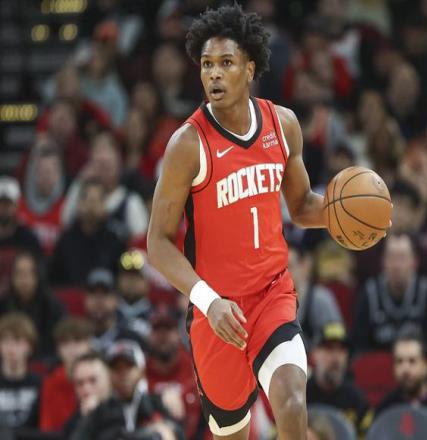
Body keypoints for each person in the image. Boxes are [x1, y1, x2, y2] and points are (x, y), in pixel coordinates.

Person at [147, 5, 335, 439]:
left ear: (249, 69)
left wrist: (347, 220)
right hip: (218, 312)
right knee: (232, 434)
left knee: (292, 402)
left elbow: (302, 206)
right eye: (207, 65)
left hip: (272, 293)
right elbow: (157, 243)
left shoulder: (282, 124)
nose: (214, 74)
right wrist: (208, 301)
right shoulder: (187, 144)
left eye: (226, 63)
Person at [71, 339, 180, 440]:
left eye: (129, 367)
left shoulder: (157, 403)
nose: (123, 374)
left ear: (141, 371)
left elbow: (177, 433)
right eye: (117, 368)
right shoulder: (100, 412)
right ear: (110, 374)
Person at [352, 233, 427, 354]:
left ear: (414, 262)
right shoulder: (369, 293)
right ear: (383, 262)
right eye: (392, 258)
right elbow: (359, 348)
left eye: (402, 258)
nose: (397, 265)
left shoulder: (426, 292)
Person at [50, 178, 126, 286]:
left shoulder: (115, 242)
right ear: (79, 204)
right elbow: (54, 280)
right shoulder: (65, 241)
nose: (92, 207)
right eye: (88, 200)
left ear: (105, 206)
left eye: (97, 201)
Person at [146, 304, 202, 439]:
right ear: (149, 335)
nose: (163, 336)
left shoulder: (195, 367)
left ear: (178, 334)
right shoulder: (140, 370)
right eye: (157, 330)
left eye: (168, 329)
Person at [306, 322, 372, 437]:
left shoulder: (357, 401)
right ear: (314, 354)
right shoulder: (301, 396)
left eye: (341, 350)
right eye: (329, 348)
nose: (336, 357)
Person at [0, 250, 65, 358]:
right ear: (12, 277)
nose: (24, 279)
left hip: (45, 362)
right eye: (19, 273)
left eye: (30, 273)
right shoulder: (2, 306)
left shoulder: (53, 308)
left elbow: (60, 343)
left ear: (39, 275)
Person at [39, 317, 94, 433]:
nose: (72, 349)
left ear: (89, 345)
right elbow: (47, 427)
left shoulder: (100, 378)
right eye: (66, 343)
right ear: (58, 349)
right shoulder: (51, 382)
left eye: (77, 341)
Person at [288, 243, 343, 348]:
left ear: (304, 265)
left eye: (289, 266)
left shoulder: (321, 299)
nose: (285, 273)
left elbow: (337, 342)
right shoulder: (275, 302)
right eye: (281, 268)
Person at [0, 176, 42, 295]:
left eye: (8, 203)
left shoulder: (28, 239)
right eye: (1, 203)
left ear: (17, 205)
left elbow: (39, 274)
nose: (3, 208)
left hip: (19, 298)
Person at [84, 268, 143, 352]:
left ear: (116, 300)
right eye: (93, 294)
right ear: (85, 299)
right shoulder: (76, 338)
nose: (99, 301)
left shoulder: (130, 338)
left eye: (105, 293)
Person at [0, 313, 40, 432]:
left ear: (30, 347)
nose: (11, 349)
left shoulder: (41, 385)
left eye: (17, 341)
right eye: (5, 341)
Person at [63, 351, 112, 438]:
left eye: (93, 380)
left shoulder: (125, 412)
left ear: (109, 379)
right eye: (79, 383)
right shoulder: (73, 422)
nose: (86, 390)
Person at [116, 250, 152, 339]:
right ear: (119, 280)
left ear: (146, 282)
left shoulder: (156, 314)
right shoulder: (108, 313)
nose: (131, 281)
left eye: (136, 276)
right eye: (127, 275)